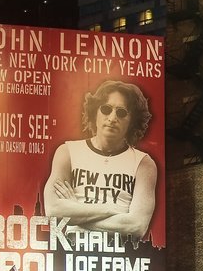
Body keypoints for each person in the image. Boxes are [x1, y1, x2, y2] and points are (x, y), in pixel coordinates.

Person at [44, 79, 157, 240]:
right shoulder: (67, 152)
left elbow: (136, 226)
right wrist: (111, 210)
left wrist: (76, 210)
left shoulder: (144, 164)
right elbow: (53, 210)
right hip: (73, 254)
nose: (112, 118)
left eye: (121, 112)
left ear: (132, 121)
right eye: (106, 109)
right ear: (94, 112)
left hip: (121, 258)